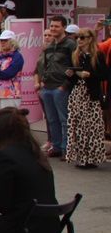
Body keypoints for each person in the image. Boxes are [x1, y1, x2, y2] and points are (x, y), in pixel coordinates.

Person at [65, 28, 107, 168]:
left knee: (92, 127)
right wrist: (71, 75)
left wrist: (89, 75)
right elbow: (72, 78)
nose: (79, 40)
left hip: (91, 95)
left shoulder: (98, 55)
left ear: (90, 38)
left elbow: (104, 75)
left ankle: (91, 158)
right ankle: (81, 158)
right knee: (78, 127)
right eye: (78, 37)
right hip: (77, 94)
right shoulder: (76, 55)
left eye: (82, 37)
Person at [35, 16, 75, 158]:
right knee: (52, 119)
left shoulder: (70, 44)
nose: (53, 29)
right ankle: (56, 146)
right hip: (48, 87)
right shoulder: (49, 46)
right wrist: (43, 82)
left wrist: (65, 85)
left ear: (64, 27)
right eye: (52, 26)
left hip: (60, 87)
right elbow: (44, 65)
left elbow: (74, 66)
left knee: (64, 119)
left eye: (56, 26)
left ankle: (66, 148)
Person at [0, 30, 25, 113]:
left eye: (5, 40)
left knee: (8, 118)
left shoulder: (17, 56)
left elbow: (9, 73)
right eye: (1, 40)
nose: (2, 43)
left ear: (12, 42)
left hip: (11, 93)